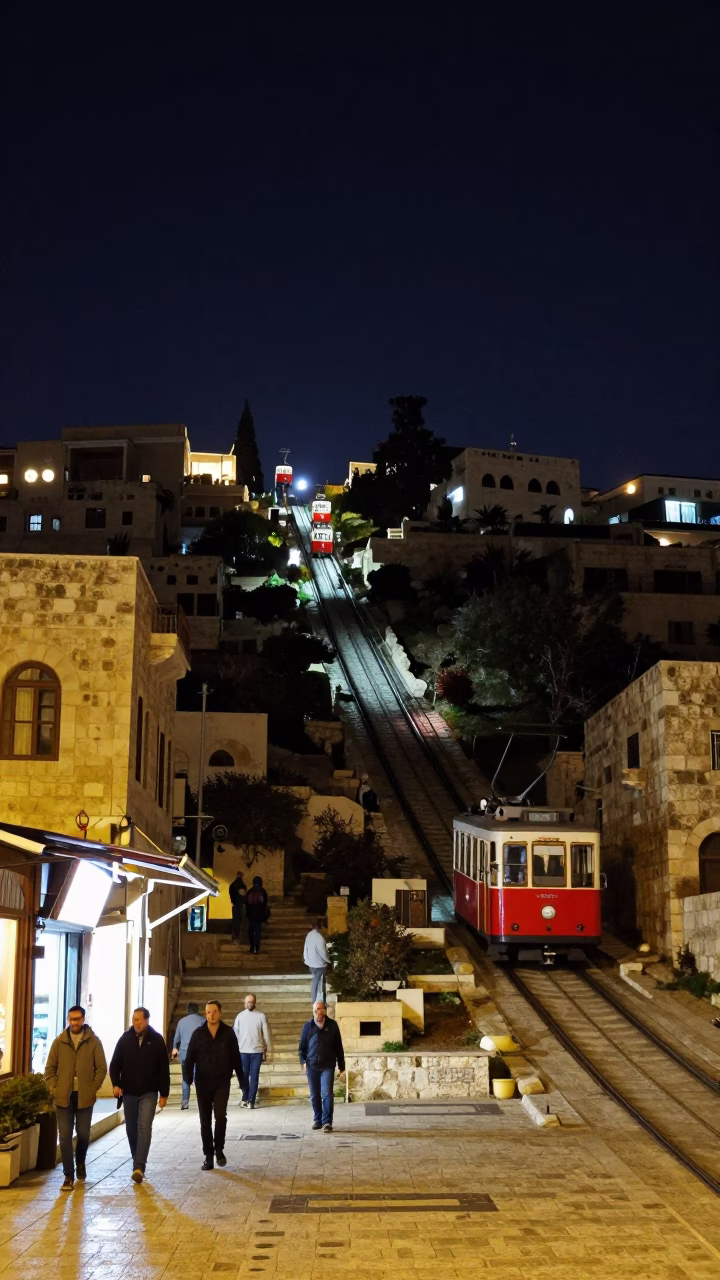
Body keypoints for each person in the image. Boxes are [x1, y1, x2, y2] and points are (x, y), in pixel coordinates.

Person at [44, 1004, 107, 1190]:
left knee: (83, 1134)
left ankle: (80, 1162)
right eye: (71, 1019)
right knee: (64, 1137)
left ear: (83, 1019)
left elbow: (102, 1068)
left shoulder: (93, 1041)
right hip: (63, 1097)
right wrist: (54, 1088)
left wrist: (92, 1088)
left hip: (85, 1097)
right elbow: (49, 1069)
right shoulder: (59, 1042)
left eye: (77, 1019)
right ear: (68, 1020)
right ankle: (68, 1176)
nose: (74, 1022)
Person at [109, 1006, 170, 1184]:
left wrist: (164, 1094)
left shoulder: (157, 1040)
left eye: (139, 1020)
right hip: (129, 1092)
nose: (135, 1023)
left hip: (149, 1092)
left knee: (144, 1126)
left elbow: (163, 1069)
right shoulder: (125, 1039)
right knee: (131, 1128)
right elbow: (115, 1064)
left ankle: (139, 1166)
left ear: (146, 1020)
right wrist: (116, 1084)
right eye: (133, 1019)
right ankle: (137, 1160)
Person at [183, 999, 244, 1170]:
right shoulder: (198, 1034)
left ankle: (219, 1149)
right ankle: (208, 1155)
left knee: (220, 1115)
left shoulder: (228, 1033)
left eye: (214, 1011)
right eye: (208, 1012)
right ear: (205, 1014)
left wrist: (242, 1080)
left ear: (220, 1013)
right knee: (205, 1120)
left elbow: (236, 1057)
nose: (211, 1015)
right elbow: (189, 1058)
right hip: (203, 1082)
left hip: (222, 1082)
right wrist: (188, 1078)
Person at [298, 999, 345, 1133]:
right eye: (316, 1009)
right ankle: (317, 1120)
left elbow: (338, 1046)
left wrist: (341, 1066)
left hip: (327, 1066)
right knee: (314, 1095)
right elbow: (302, 1047)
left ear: (324, 1010)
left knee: (327, 1094)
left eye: (320, 1009)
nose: (318, 1012)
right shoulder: (308, 1026)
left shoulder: (332, 1025)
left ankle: (327, 1121)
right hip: (312, 1066)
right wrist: (303, 1061)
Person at [232, 993, 272, 1109]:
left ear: (255, 1003)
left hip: (257, 1051)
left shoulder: (261, 1016)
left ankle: (251, 1100)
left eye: (251, 1002)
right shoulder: (240, 1016)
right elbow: (235, 1034)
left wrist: (269, 1048)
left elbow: (266, 1033)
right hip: (243, 1051)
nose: (250, 1003)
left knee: (254, 1076)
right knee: (244, 1076)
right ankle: (245, 1098)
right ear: (245, 1003)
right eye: (248, 1002)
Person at [172, 1002, 205, 1109]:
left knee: (186, 1078)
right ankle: (203, 1101)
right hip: (199, 1054)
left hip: (185, 1054)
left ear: (187, 1010)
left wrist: (175, 1049)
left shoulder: (181, 1022)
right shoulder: (203, 1021)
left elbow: (176, 1039)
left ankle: (185, 1102)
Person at [303, 920, 331, 1005]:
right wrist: (329, 960)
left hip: (311, 963)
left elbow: (305, 949)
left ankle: (316, 1001)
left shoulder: (309, 935)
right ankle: (316, 1001)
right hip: (319, 964)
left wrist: (307, 960)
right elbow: (323, 952)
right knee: (319, 983)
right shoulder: (319, 938)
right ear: (320, 927)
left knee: (316, 982)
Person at [245, 875, 268, 954]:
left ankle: (252, 947)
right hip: (259, 915)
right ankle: (257, 948)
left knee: (251, 931)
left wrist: (248, 914)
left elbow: (246, 903)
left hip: (251, 915)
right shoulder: (263, 891)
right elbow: (265, 904)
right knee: (257, 931)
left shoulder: (250, 891)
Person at [228, 871, 247, 943]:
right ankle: (238, 937)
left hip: (234, 904)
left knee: (235, 921)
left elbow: (231, 894)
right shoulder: (242, 885)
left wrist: (233, 900)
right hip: (240, 905)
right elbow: (244, 896)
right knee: (240, 921)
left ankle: (234, 937)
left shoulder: (232, 885)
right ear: (241, 876)